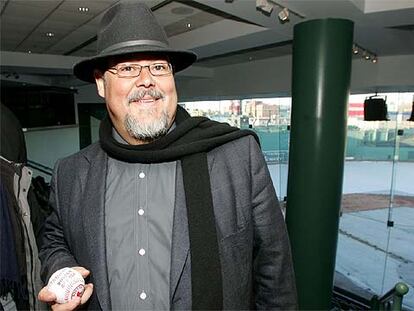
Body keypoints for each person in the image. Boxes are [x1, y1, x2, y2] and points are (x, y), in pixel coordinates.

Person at [38, 1, 297, 310]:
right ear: (100, 84)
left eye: (159, 67)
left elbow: (275, 274)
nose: (147, 80)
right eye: (128, 68)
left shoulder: (236, 157)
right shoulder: (71, 172)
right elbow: (54, 236)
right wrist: (61, 268)